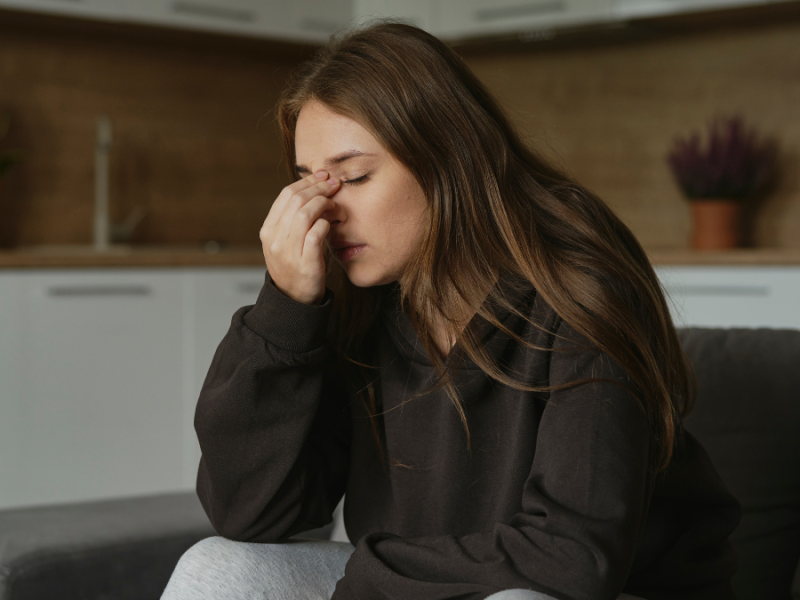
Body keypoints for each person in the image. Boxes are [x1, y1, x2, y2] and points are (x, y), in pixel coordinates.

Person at [161, 21, 740, 600]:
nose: (322, 211)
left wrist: (369, 575)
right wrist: (286, 307)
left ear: (445, 155)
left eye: (355, 175)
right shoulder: (362, 299)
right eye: (309, 181)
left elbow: (573, 558)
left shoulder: (580, 279)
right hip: (437, 583)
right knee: (218, 566)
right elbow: (247, 513)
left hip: (597, 591)